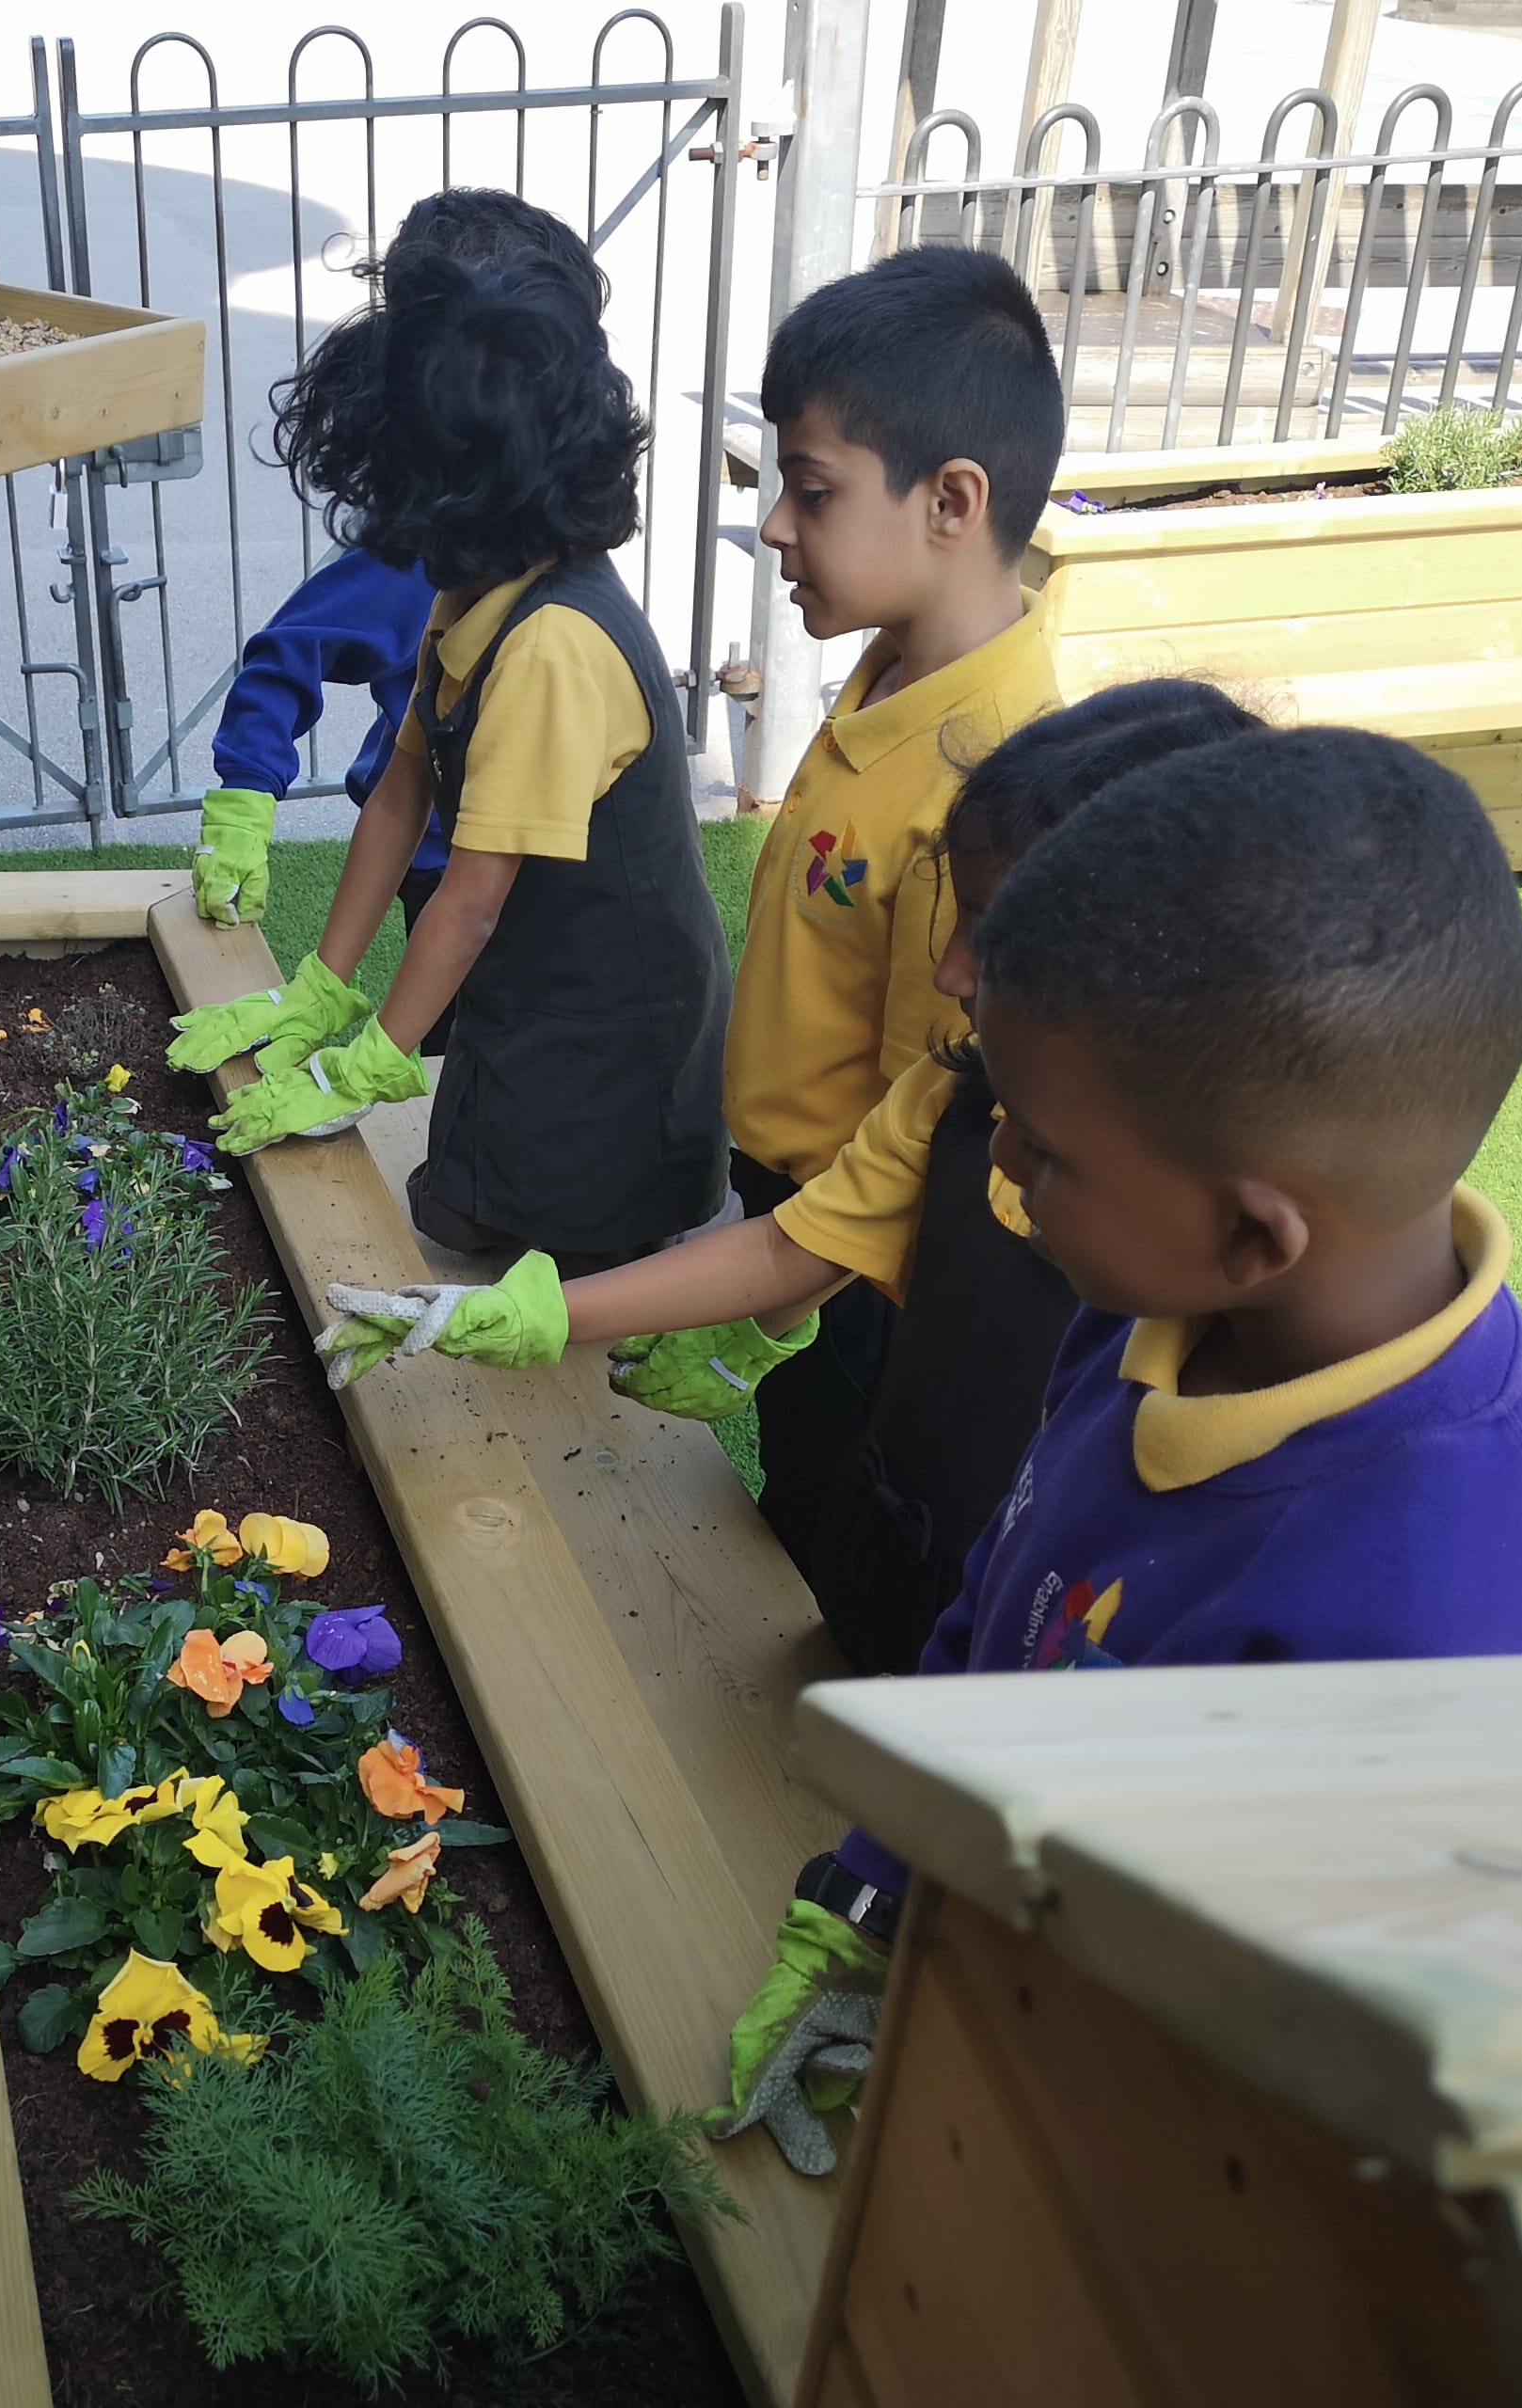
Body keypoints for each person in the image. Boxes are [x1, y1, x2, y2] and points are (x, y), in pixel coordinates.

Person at [720, 724, 1522, 2191]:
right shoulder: (1149, 1319)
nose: (998, 1161)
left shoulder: (1437, 1641)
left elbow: (1347, 2128)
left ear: (1256, 1232)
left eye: (1046, 1150)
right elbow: (1000, 1635)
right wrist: (873, 1901)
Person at [311, 683, 1265, 1675]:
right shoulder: (952, 1100)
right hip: (907, 1550)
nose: (948, 972)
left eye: (993, 928)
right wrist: (514, 1314)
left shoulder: (1222, 1260)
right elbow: (783, 1244)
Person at [166, 208, 727, 1275]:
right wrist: (319, 989)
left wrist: (363, 1072)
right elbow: (401, 788)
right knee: (461, 1211)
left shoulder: (552, 647)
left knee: (559, 1249)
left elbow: (468, 905)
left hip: (610, 1025)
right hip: (528, 983)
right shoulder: (476, 586)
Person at [704, 244, 1066, 1575]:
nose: (777, 528)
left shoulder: (985, 785)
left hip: (848, 1271)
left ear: (951, 501)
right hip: (787, 1220)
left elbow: (920, 1145)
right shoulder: (894, 667)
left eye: (811, 491)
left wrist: (781, 1308)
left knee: (830, 1536)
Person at [187, 188, 610, 1029]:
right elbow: (398, 772)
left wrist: (376, 1055)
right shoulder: (439, 543)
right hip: (443, 864)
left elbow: (478, 901)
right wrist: (247, 792)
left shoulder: (547, 613)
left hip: (532, 888)